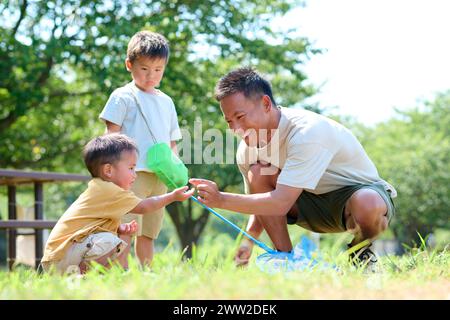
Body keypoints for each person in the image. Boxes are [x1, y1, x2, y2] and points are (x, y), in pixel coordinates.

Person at [189, 67, 397, 270]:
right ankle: (286, 260)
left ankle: (360, 252)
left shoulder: (306, 133)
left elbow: (279, 202)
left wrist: (222, 199)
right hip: (305, 202)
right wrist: (248, 241)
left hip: (352, 199)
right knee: (259, 171)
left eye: (240, 117)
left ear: (265, 103)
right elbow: (259, 200)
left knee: (368, 204)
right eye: (229, 121)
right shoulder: (247, 150)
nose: (235, 129)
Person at [41, 134, 193, 275]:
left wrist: (119, 228)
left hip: (60, 255)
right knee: (111, 242)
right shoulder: (109, 190)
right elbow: (144, 207)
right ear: (108, 170)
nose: (135, 174)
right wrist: (172, 196)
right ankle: (83, 275)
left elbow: (91, 226)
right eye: (131, 168)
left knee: (112, 241)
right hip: (61, 255)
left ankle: (82, 276)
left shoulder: (101, 189)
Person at [99, 31, 182, 266]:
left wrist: (177, 172)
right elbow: (110, 136)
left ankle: (146, 273)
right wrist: (111, 171)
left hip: (160, 176)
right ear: (129, 65)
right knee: (126, 228)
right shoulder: (122, 96)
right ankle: (120, 272)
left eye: (158, 70)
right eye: (144, 69)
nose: (151, 76)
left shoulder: (167, 102)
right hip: (131, 176)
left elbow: (172, 142)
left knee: (149, 232)